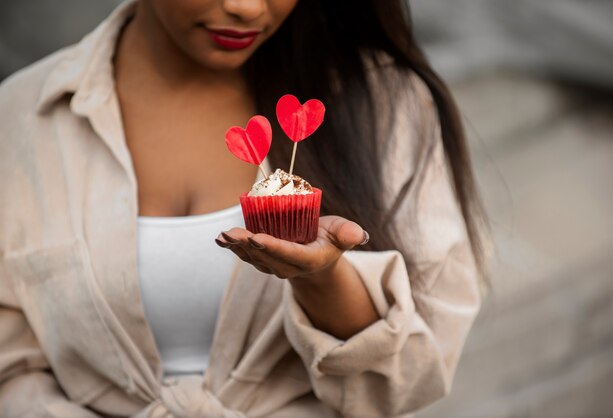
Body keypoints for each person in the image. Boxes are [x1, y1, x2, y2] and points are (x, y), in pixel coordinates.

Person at [0, 0, 488, 417]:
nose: (249, 7)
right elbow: (10, 370)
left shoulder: (384, 103)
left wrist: (321, 279)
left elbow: (417, 376)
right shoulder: (20, 119)